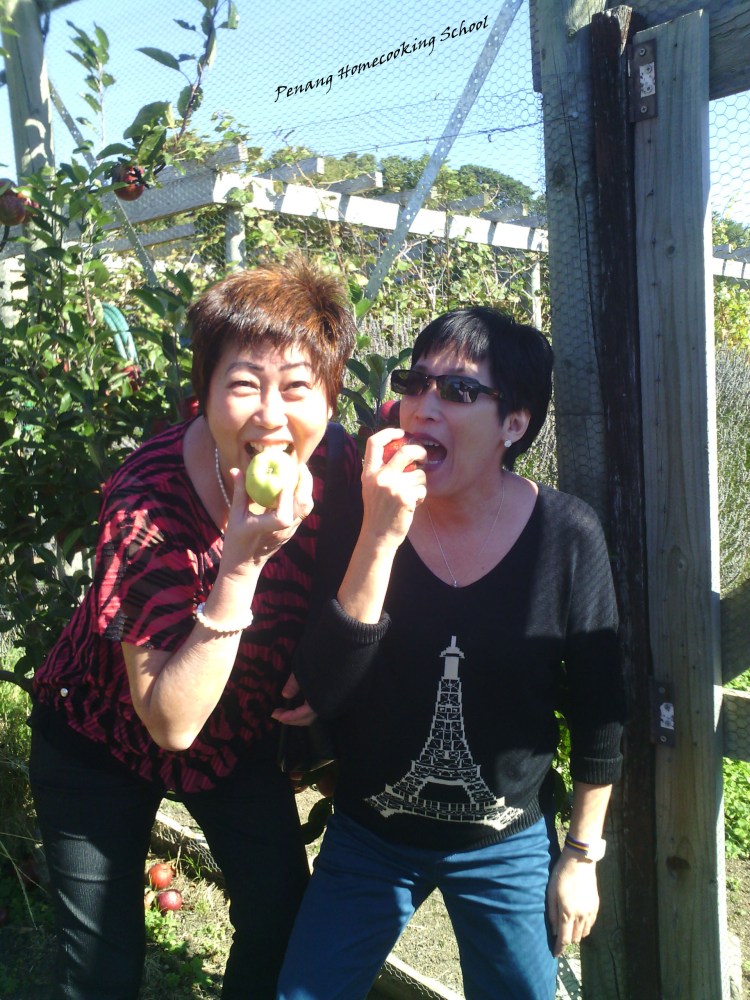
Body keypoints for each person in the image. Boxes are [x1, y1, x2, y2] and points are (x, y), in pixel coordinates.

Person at [28, 254, 360, 1000]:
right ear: (203, 394)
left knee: (280, 917)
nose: (271, 415)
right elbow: (168, 722)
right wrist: (238, 562)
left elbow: (368, 552)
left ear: (332, 401)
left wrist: (316, 654)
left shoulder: (336, 465)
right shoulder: (147, 504)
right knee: (101, 971)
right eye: (243, 383)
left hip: (231, 733)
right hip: (97, 734)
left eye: (298, 388)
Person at [275, 307, 625, 1000]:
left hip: (505, 842)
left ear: (515, 424)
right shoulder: (363, 511)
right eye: (415, 383)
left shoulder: (567, 536)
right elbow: (315, 686)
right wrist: (379, 531)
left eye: (459, 391)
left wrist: (582, 854)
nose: (423, 405)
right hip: (369, 835)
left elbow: (600, 711)